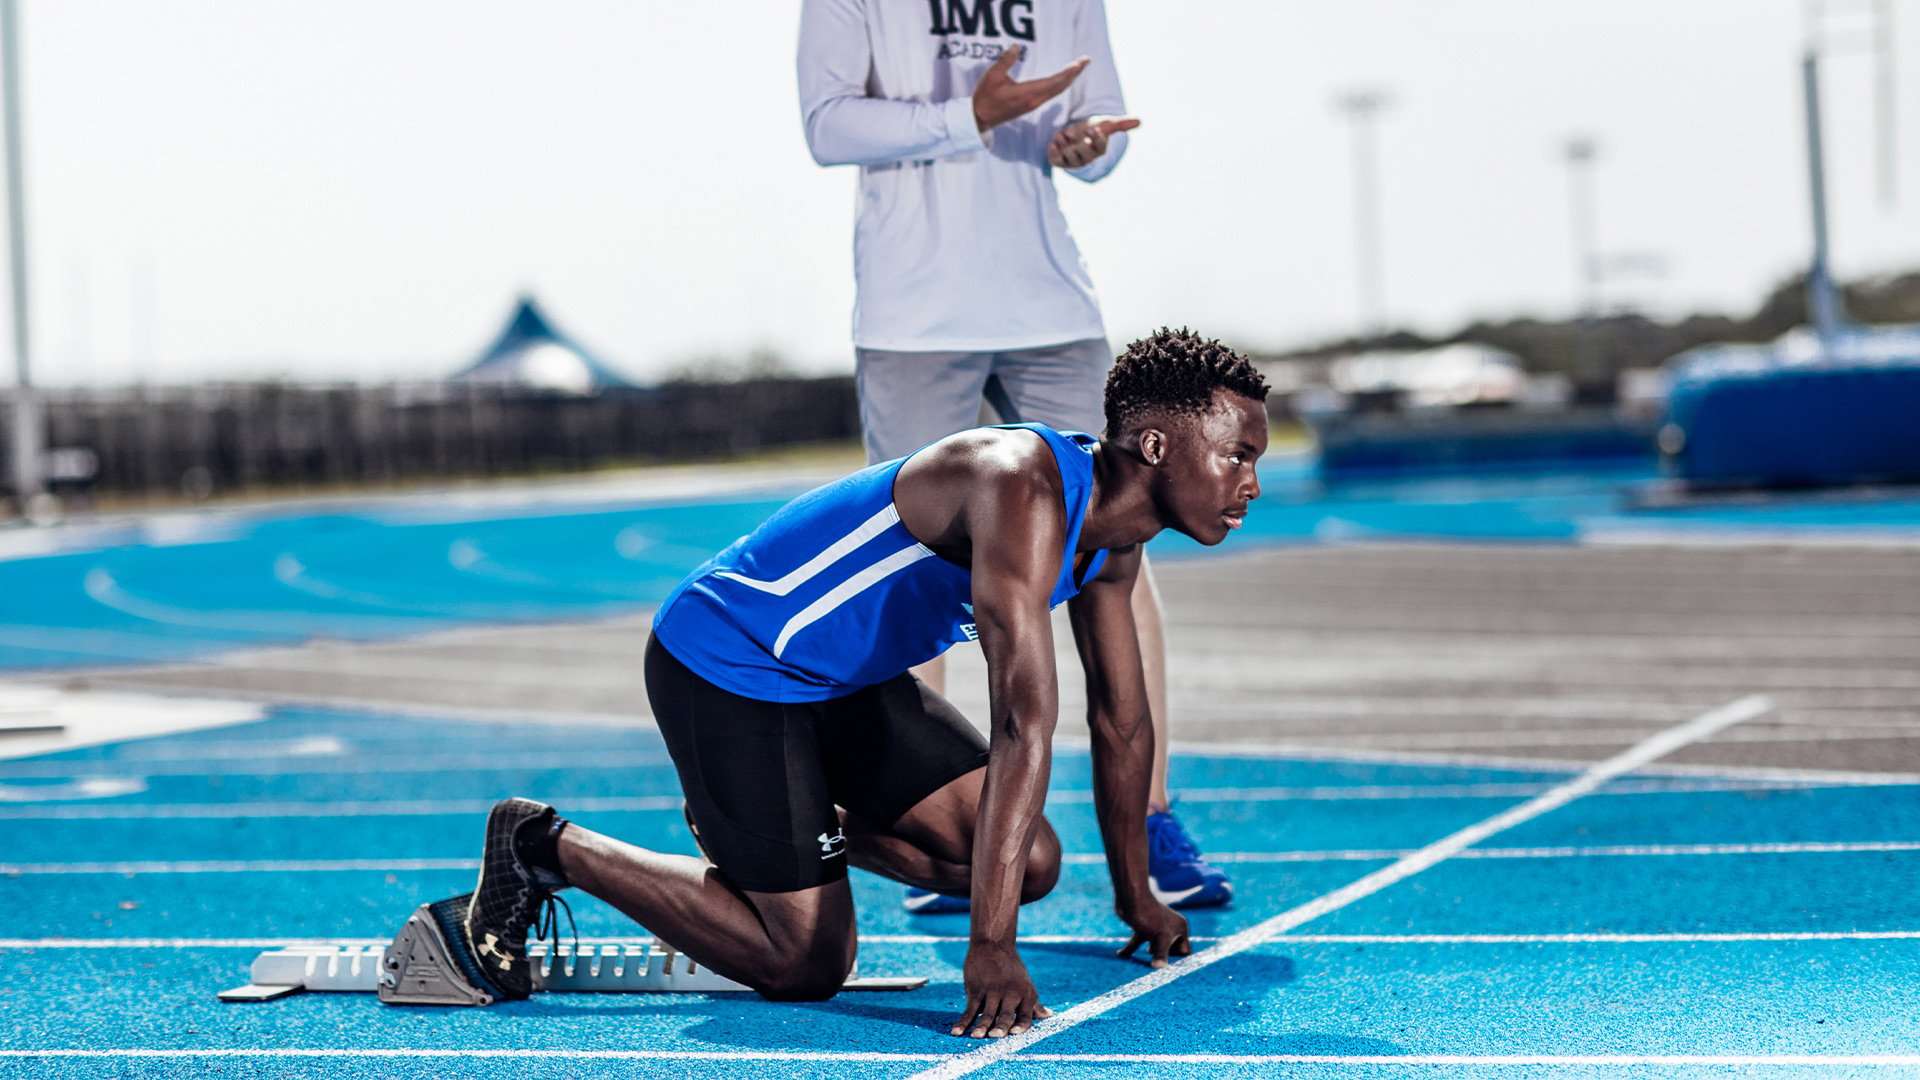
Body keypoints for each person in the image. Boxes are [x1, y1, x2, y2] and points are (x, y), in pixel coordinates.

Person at [463, 330, 1267, 1038]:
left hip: (846, 685)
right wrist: (989, 949)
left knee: (1031, 866)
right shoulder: (1020, 483)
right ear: (1156, 446)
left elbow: (1121, 723)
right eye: (1240, 455)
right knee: (805, 962)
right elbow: (1024, 723)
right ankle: (544, 843)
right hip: (733, 665)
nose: (1252, 484)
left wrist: (1137, 896)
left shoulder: (1113, 542)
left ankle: (769, 829)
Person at [797, 0, 1230, 915]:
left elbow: (1104, 135)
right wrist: (971, 117)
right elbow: (827, 127)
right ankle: (945, 815)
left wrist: (1087, 148)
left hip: (1051, 310)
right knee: (915, 576)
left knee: (1121, 553)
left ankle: (1148, 819)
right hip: (914, 318)